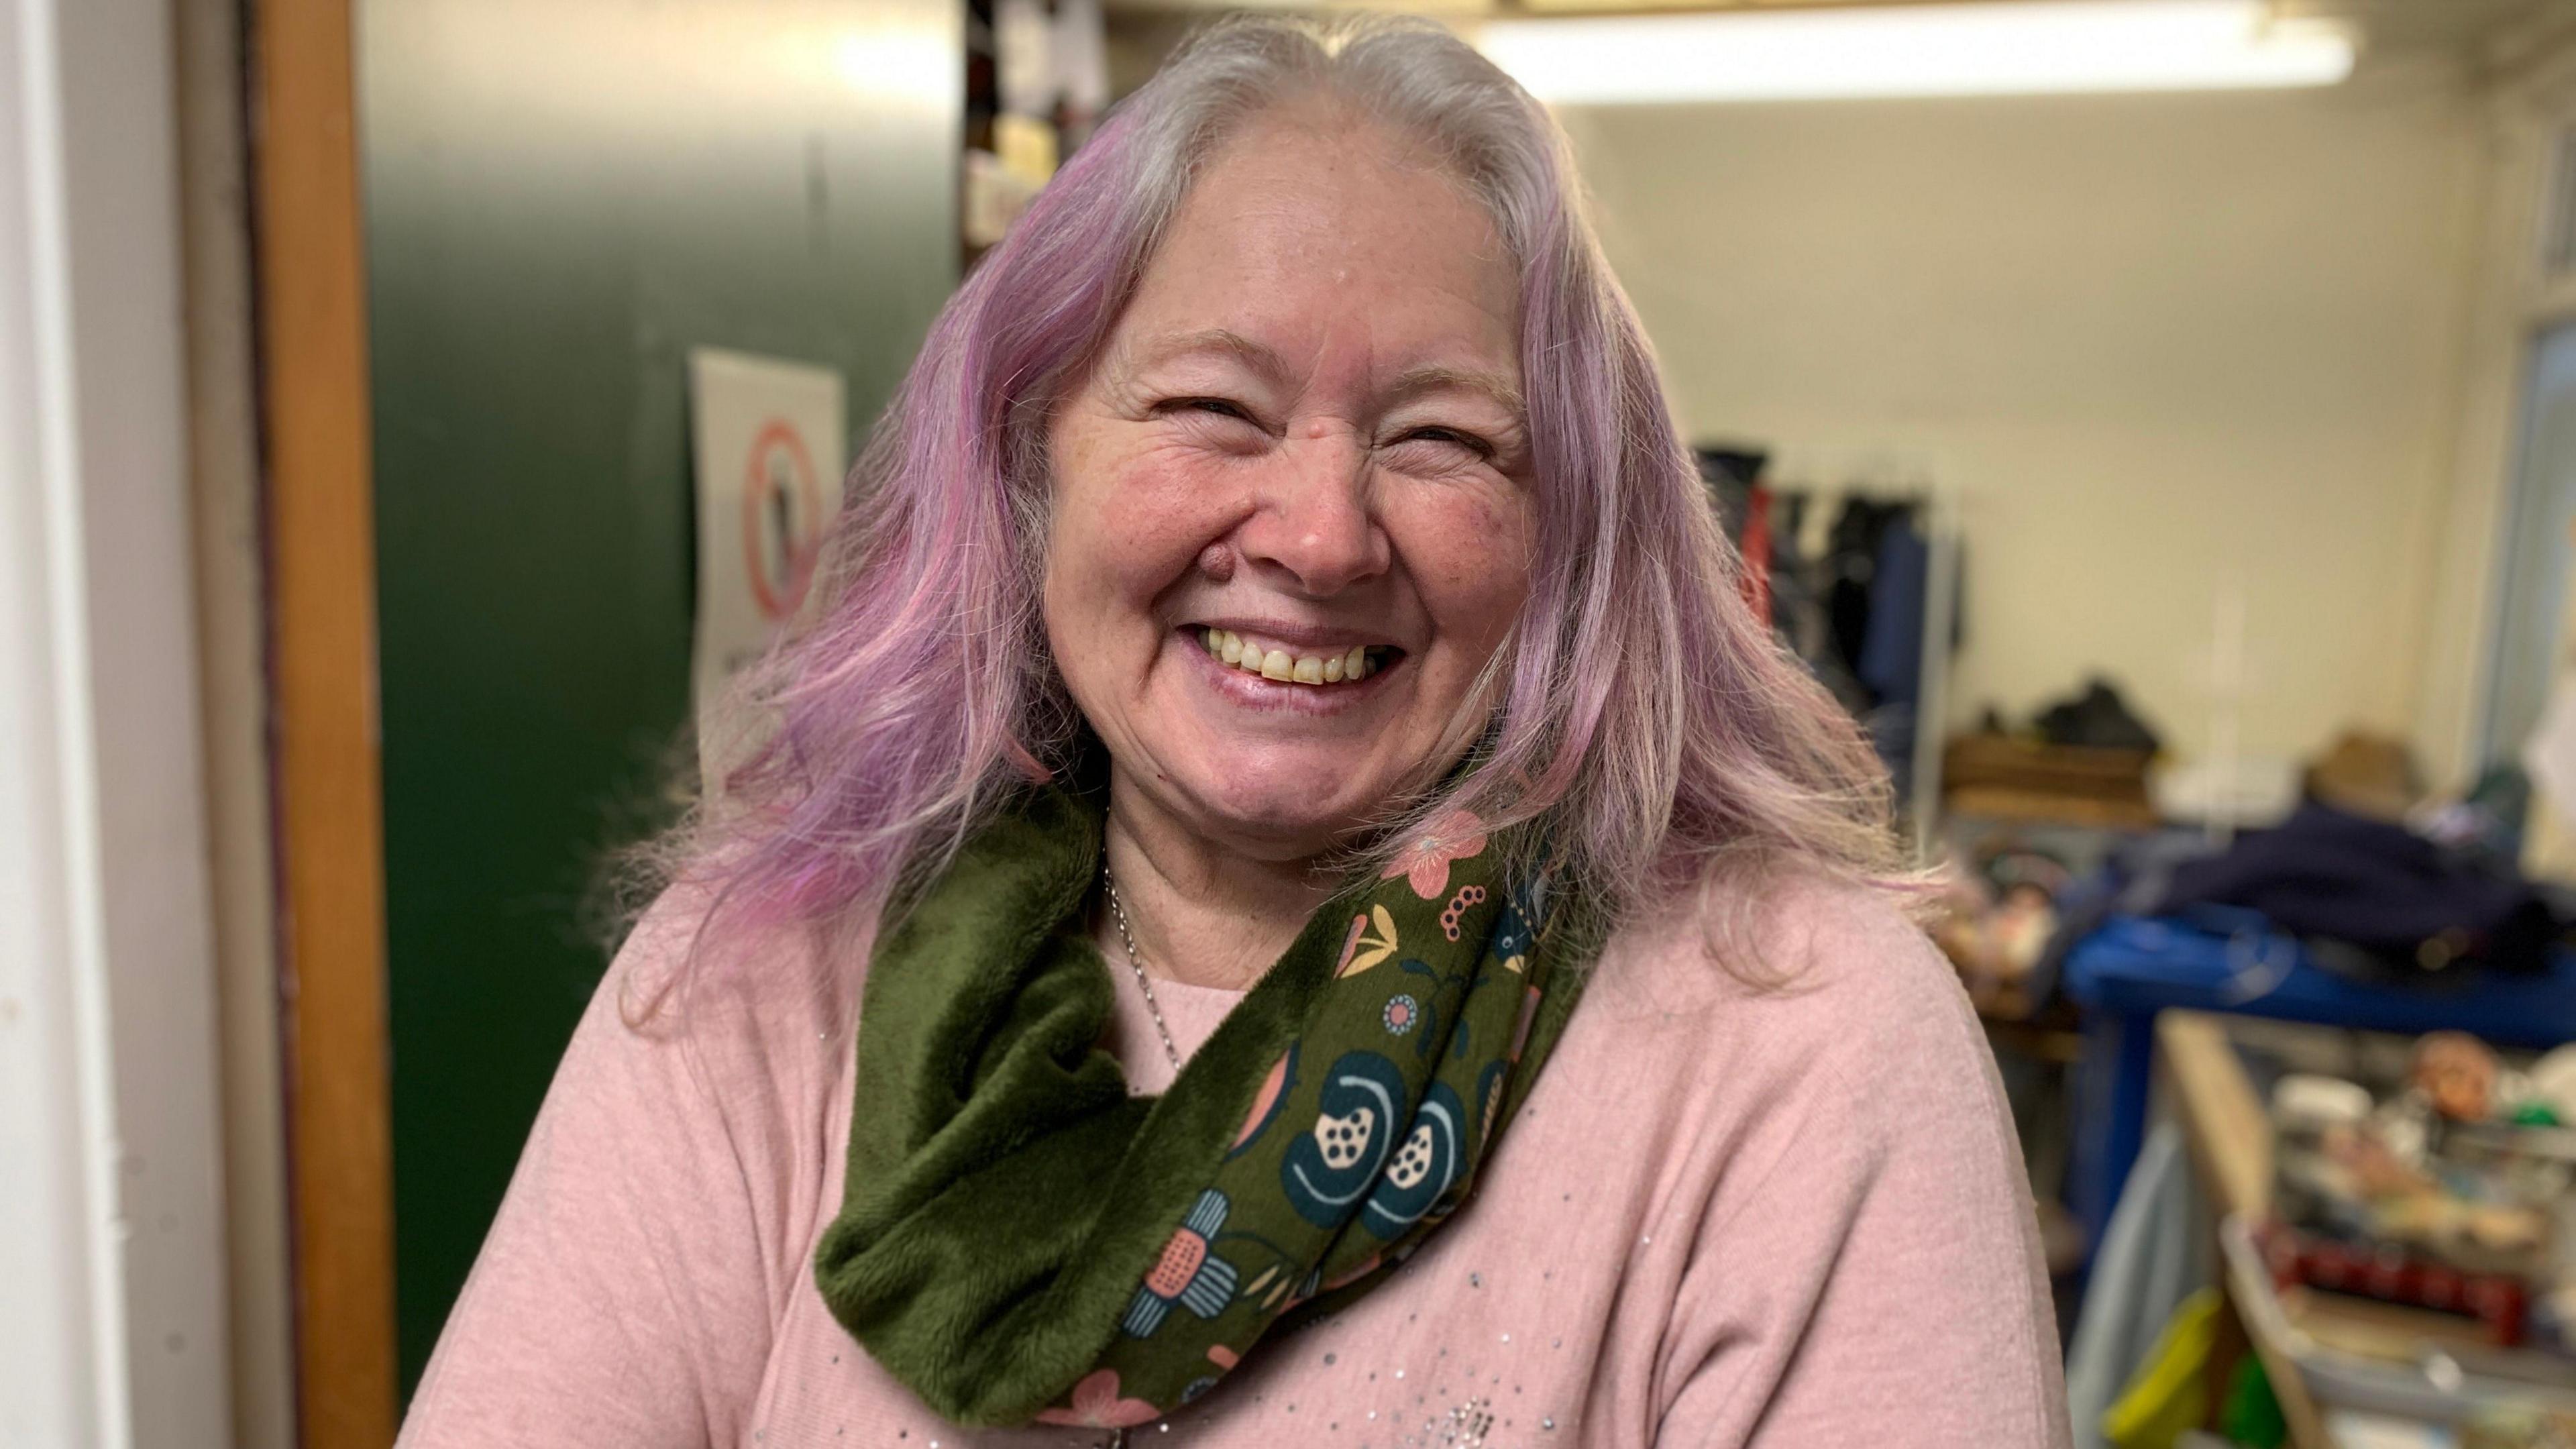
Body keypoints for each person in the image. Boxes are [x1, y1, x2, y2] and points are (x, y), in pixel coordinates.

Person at [398, 14, 2068, 1447]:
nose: (1324, 538)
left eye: (1444, 440)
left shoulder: (1802, 1055)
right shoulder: (759, 991)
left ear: (1573, 528)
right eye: (1213, 410)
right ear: (1028, 464)